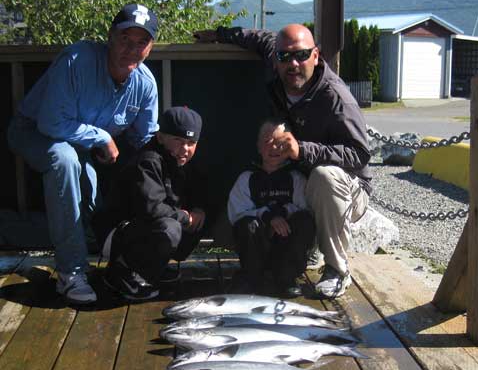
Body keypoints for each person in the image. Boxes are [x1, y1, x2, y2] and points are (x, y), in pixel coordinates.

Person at [194, 23, 371, 299]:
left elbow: (359, 155)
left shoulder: (337, 99)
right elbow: (258, 38)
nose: (294, 63)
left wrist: (302, 150)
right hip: (296, 183)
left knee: (324, 177)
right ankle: (292, 256)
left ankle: (337, 269)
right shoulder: (277, 63)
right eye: (285, 57)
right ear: (275, 59)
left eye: (301, 55)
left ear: (316, 55)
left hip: (346, 189)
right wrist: (220, 34)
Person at [7, 3, 159, 305]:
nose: (132, 49)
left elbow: (145, 142)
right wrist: (101, 137)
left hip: (81, 148)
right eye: (124, 39)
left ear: (151, 46)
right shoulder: (77, 59)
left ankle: (126, 263)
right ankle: (70, 273)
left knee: (91, 202)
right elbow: (51, 122)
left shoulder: (146, 85)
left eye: (141, 42)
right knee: (64, 161)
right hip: (34, 130)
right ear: (109, 36)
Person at [92, 106, 207, 301]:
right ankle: (120, 275)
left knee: (199, 216)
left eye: (191, 142)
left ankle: (151, 270)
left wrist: (198, 211)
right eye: (178, 140)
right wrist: (186, 217)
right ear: (160, 137)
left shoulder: (183, 163)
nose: (185, 149)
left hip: (139, 231)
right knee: (170, 228)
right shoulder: (149, 161)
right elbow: (152, 210)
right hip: (115, 236)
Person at [227, 119, 315, 298]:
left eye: (280, 142)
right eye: (267, 142)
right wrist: (268, 217)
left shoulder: (296, 178)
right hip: (258, 245)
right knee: (247, 224)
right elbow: (236, 213)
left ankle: (286, 277)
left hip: (285, 246)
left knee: (305, 221)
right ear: (258, 147)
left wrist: (282, 213)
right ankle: (252, 277)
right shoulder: (246, 178)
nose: (274, 147)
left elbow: (305, 208)